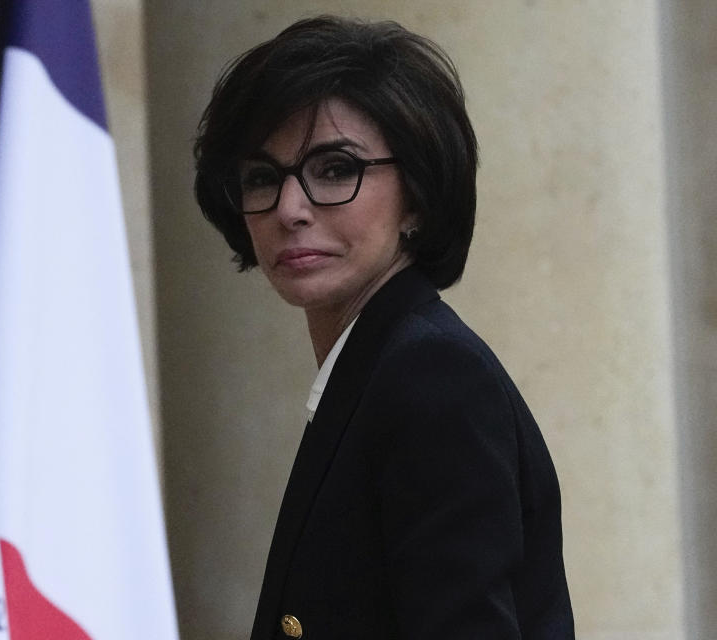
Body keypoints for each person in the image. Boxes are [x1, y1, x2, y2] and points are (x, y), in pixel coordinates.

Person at [192, 15, 574, 639]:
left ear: (418, 198)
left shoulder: (430, 377)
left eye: (335, 169)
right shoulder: (375, 366)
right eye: (262, 178)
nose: (290, 208)